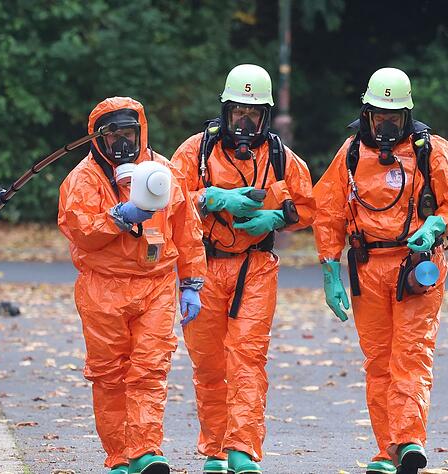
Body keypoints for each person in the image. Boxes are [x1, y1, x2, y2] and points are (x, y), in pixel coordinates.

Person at [313, 67, 448, 474]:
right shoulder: (350, 154)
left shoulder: (431, 151)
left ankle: (408, 440)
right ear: (366, 113)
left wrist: (435, 224)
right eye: (379, 116)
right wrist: (330, 270)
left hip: (416, 267)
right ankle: (388, 449)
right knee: (379, 361)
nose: (386, 125)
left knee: (412, 354)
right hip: (367, 267)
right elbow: (328, 212)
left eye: (394, 117)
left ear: (407, 115)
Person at [171, 64, 316, 474]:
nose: (245, 122)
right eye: (238, 112)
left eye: (253, 114)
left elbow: (309, 205)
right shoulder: (195, 151)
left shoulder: (282, 158)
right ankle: (215, 449)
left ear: (265, 116)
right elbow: (168, 200)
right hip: (202, 267)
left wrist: (276, 219)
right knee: (209, 364)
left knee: (248, 359)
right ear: (225, 110)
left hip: (255, 267)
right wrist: (209, 198)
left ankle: (243, 450)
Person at [58, 97, 206, 474]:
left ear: (141, 132)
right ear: (98, 139)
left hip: (155, 285)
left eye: (129, 134)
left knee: (150, 368)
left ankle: (144, 449)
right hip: (103, 287)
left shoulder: (163, 172)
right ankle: (119, 454)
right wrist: (118, 218)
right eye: (113, 136)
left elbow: (186, 229)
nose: (123, 144)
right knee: (109, 375)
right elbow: (81, 230)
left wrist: (191, 282)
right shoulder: (83, 179)